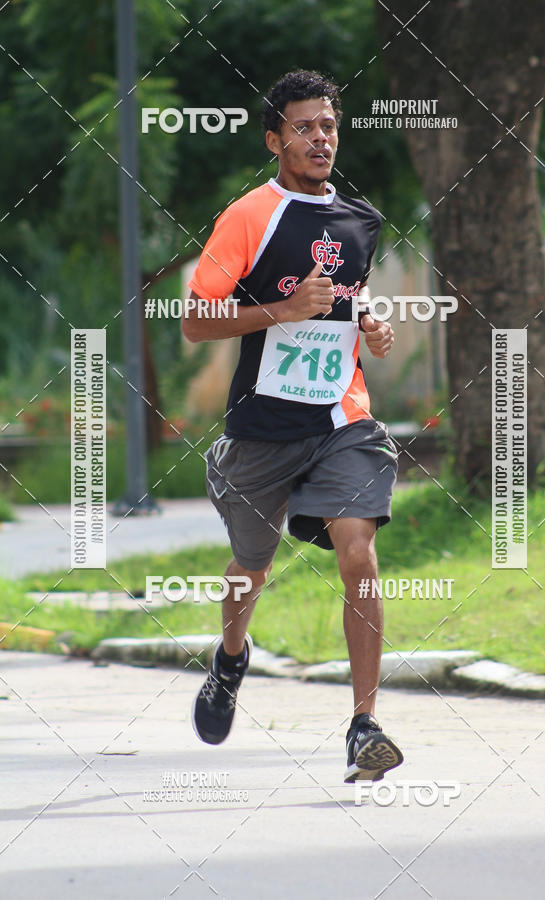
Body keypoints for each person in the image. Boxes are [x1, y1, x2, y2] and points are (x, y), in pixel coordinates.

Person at [183, 69, 403, 783]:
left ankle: (363, 724)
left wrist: (366, 321)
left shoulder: (361, 221)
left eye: (329, 126)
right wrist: (279, 311)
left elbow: (348, 295)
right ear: (275, 138)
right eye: (305, 127)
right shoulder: (249, 215)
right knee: (251, 567)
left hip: (342, 417)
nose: (320, 138)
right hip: (261, 429)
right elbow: (193, 320)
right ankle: (230, 659)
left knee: (357, 547)